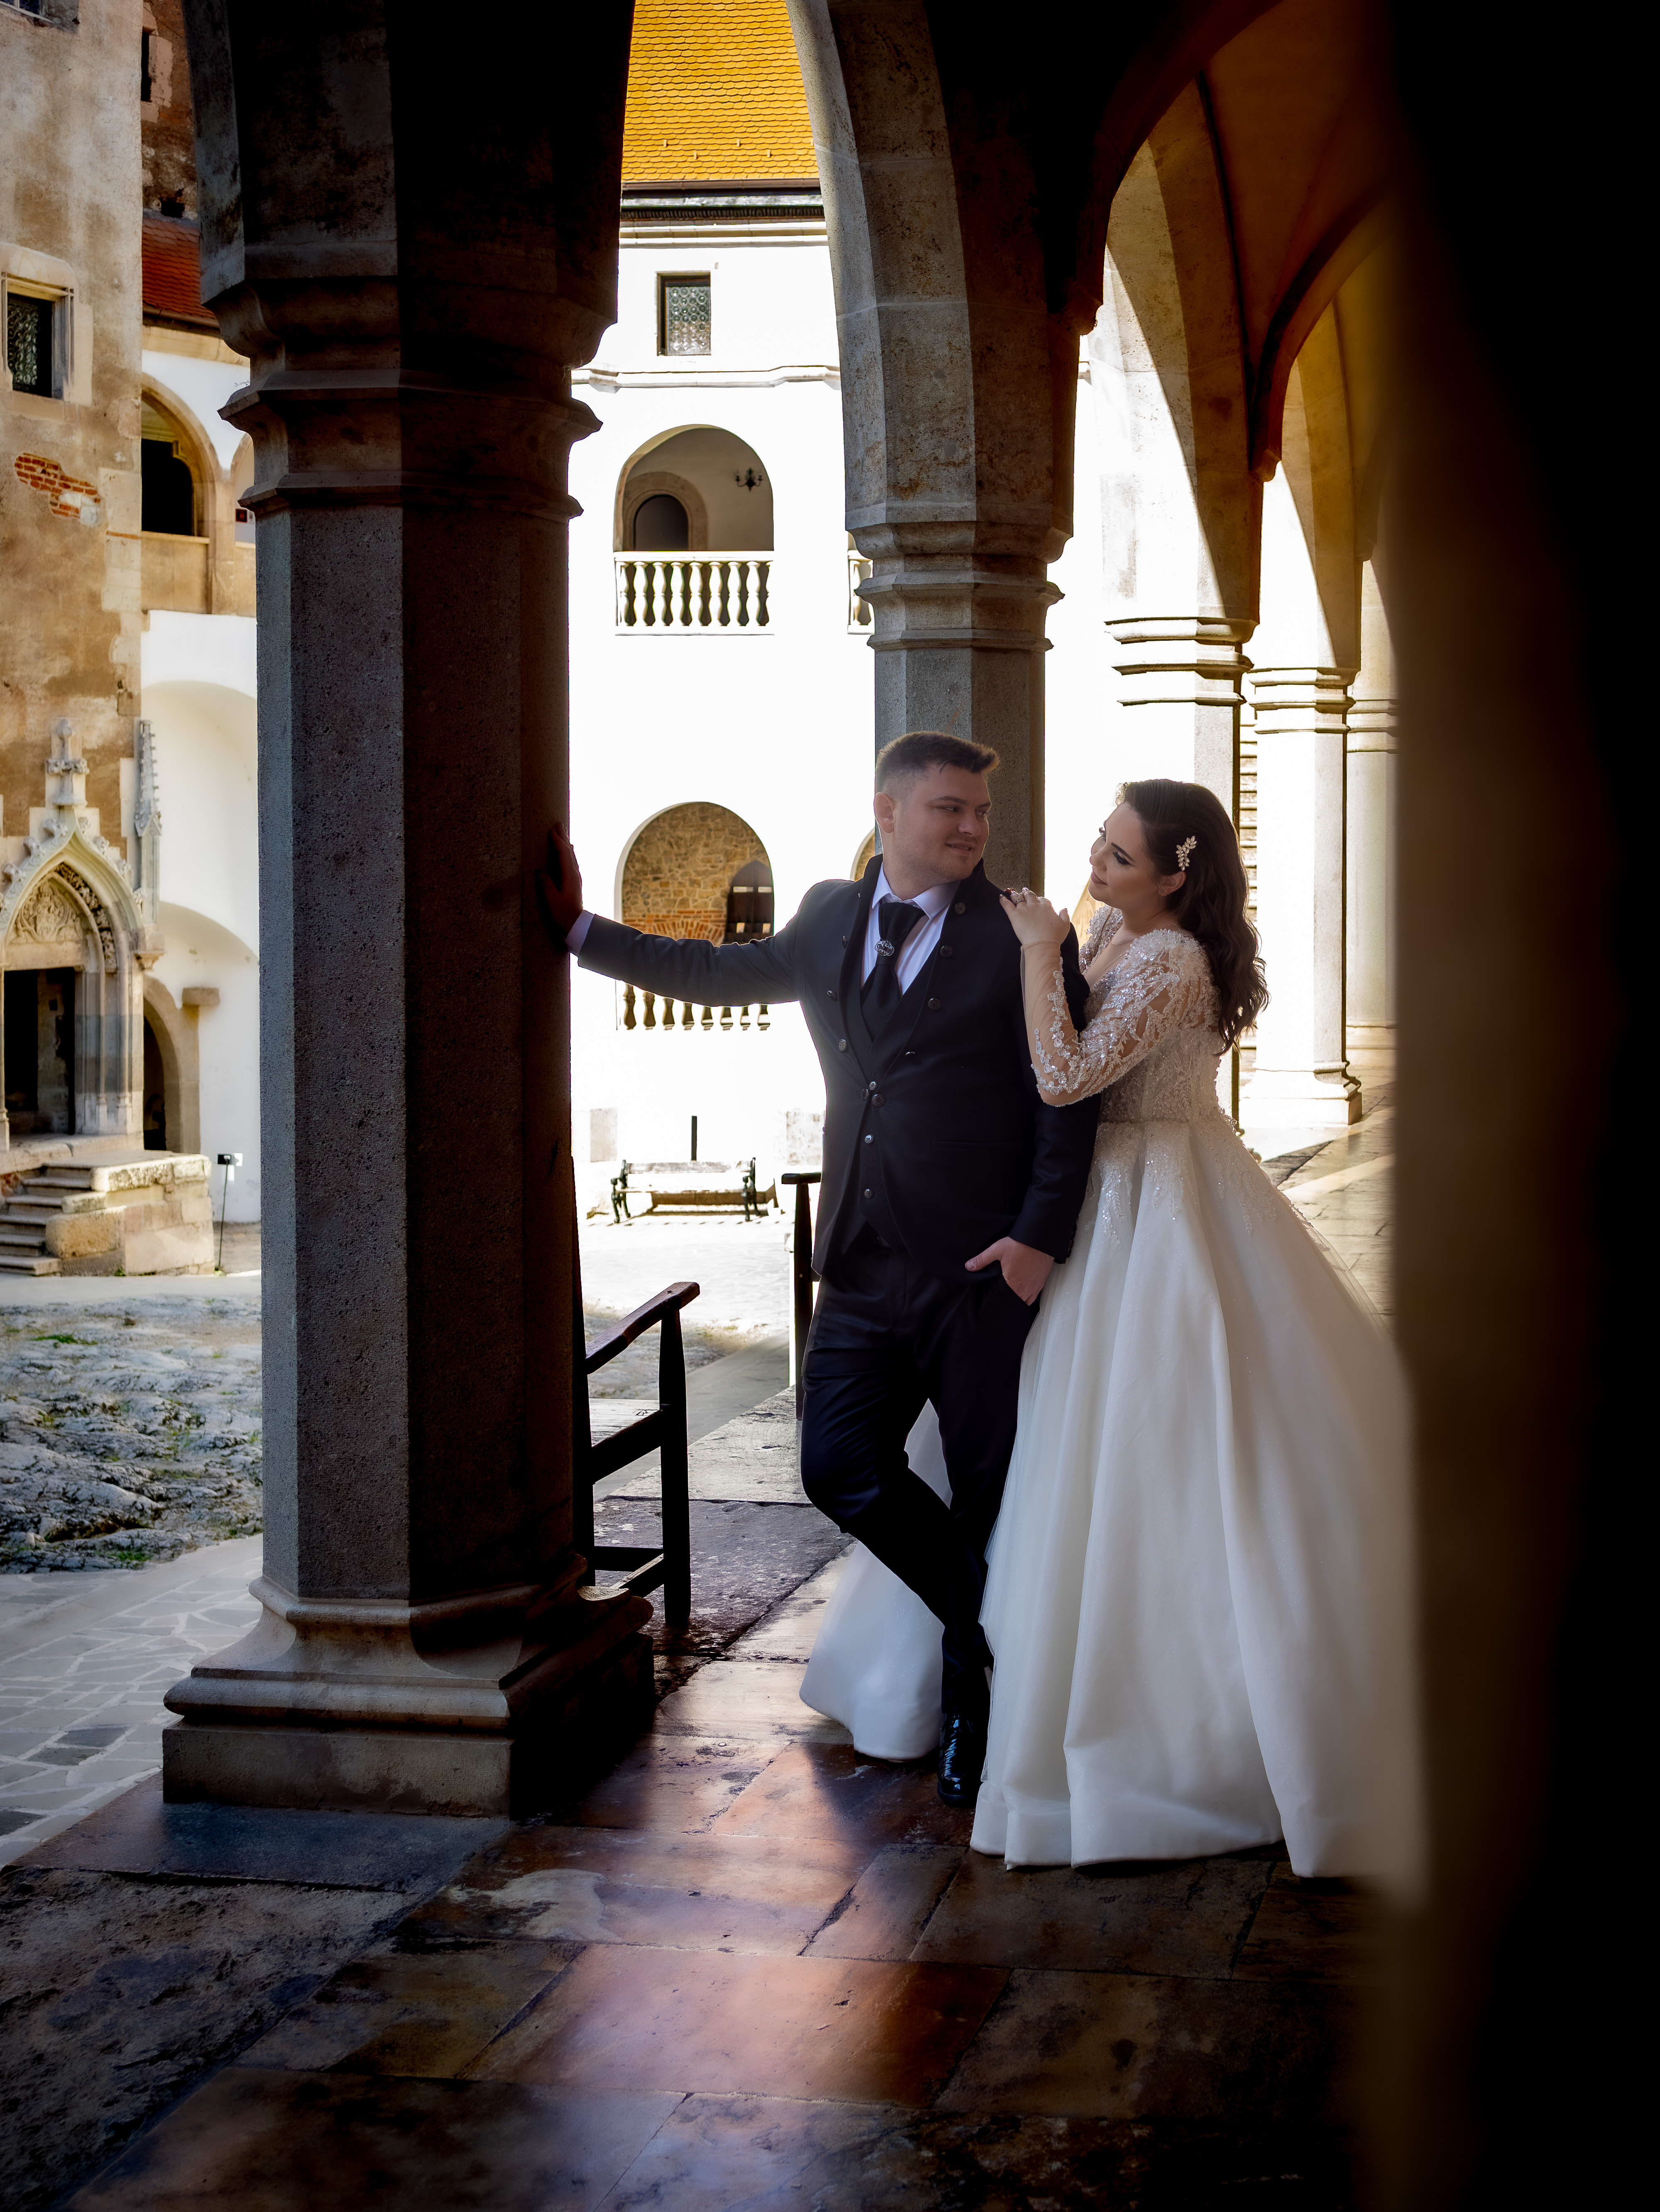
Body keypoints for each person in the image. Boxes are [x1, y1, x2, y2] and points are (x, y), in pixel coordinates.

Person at [805, 778, 1421, 1887]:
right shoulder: (1111, 932)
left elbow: (1066, 1075)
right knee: (1023, 1441)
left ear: (1177, 876)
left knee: (1152, 1437)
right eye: (1100, 842)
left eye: (1119, 856)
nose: (1095, 864)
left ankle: (1151, 1720)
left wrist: (1039, 954)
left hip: (1157, 1207)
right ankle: (976, 1664)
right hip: (1092, 1201)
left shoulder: (1172, 961)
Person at [538, 732, 1099, 1803]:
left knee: (986, 1489)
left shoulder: (1022, 934)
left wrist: (1036, 1239)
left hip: (979, 1269)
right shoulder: (829, 914)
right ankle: (979, 1628)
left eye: (979, 810)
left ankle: (975, 1706)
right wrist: (577, 930)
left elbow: (1063, 1097)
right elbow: (714, 973)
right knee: (837, 1467)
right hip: (857, 1262)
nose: (972, 827)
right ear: (888, 812)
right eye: (949, 807)